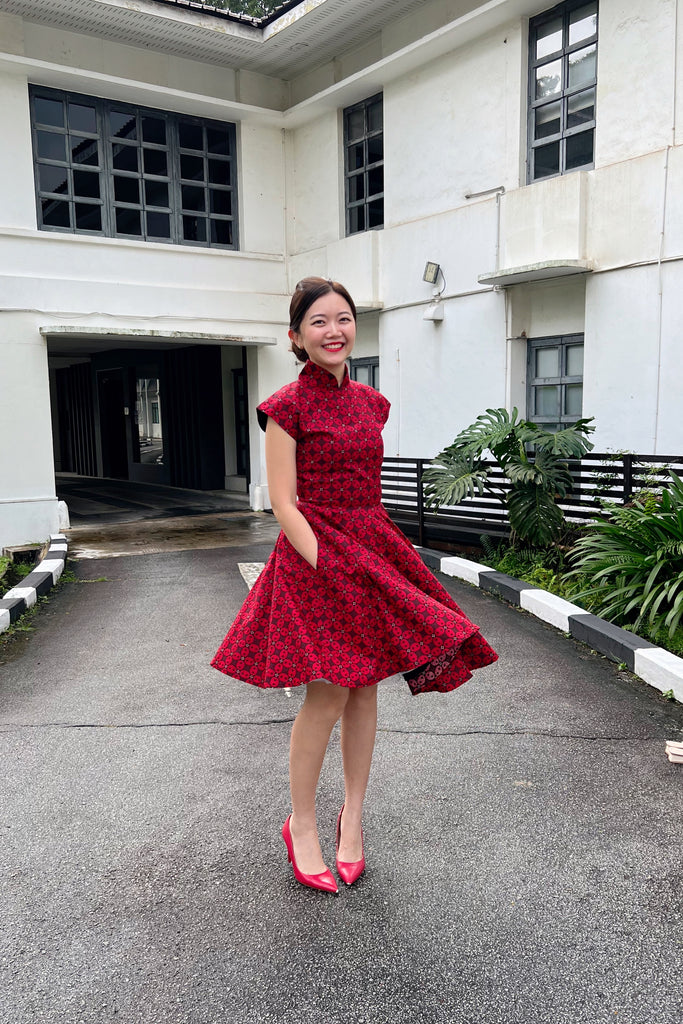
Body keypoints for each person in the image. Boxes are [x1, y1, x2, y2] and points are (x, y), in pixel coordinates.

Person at [211, 277, 498, 895]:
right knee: (327, 694)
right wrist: (327, 563)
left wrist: (363, 559)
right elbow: (284, 503)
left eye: (343, 319)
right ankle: (303, 823)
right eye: (318, 322)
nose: (334, 330)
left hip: (372, 543)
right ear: (296, 336)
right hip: (316, 556)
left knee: (366, 690)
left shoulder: (372, 402)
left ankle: (353, 818)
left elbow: (367, 486)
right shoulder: (286, 407)